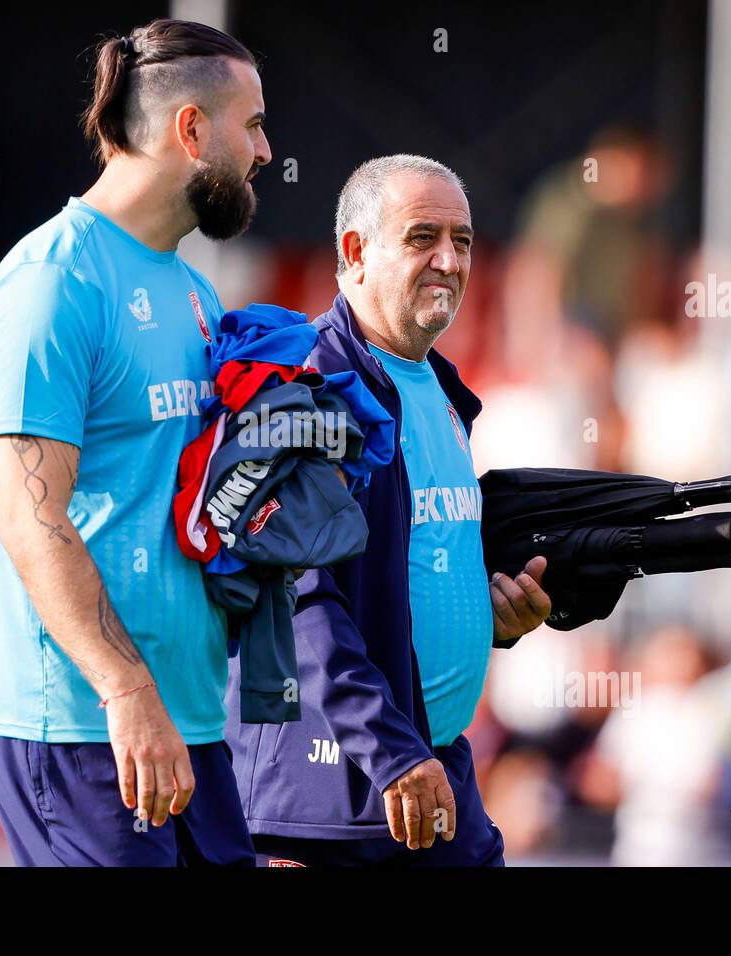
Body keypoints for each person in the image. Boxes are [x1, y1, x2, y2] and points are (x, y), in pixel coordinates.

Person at [0, 18, 271, 866]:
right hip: (84, 725)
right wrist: (127, 690)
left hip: (189, 722)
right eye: (251, 125)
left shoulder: (197, 297)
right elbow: (31, 521)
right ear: (191, 130)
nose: (264, 150)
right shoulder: (50, 282)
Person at [225, 155, 551, 866]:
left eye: (462, 242)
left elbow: (400, 577)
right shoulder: (306, 391)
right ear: (354, 252)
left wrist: (486, 617)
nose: (449, 260)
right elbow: (295, 603)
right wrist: (391, 752)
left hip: (429, 772)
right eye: (422, 237)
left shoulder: (439, 391)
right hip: (334, 798)